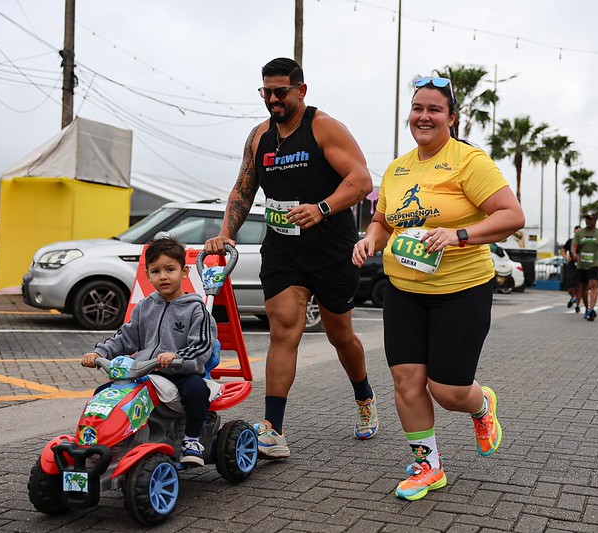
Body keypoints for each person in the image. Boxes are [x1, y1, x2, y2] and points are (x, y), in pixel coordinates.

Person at [353, 76, 525, 501]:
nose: (424, 116)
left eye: (434, 109)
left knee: (447, 391)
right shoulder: (398, 169)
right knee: (406, 379)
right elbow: (384, 220)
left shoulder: (469, 162)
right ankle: (428, 465)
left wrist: (458, 235)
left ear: (452, 117)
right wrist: (371, 237)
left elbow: (512, 216)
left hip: (461, 289)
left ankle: (481, 405)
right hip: (404, 290)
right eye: (418, 108)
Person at [204, 58, 378, 460]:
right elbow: (243, 189)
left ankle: (364, 395)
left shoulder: (324, 128)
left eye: (281, 91)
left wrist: (321, 208)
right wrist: (226, 233)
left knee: (340, 335)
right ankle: (274, 429)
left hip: (331, 250)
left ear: (301, 90)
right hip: (284, 250)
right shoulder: (259, 137)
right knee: (283, 330)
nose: (273, 99)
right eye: (266, 92)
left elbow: (361, 181)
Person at [82, 236, 217, 467]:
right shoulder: (145, 306)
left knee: (196, 389)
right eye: (156, 271)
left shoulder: (196, 310)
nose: (163, 276)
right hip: (144, 371)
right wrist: (100, 353)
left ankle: (192, 440)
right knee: (104, 393)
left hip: (180, 372)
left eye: (170, 269)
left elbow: (202, 346)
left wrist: (177, 357)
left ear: (184, 272)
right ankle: (103, 441)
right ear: (148, 275)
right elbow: (125, 337)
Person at [571, 212, 598, 322]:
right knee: (583, 287)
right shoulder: (579, 234)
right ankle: (586, 308)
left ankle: (591, 309)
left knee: (594, 284)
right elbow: (574, 246)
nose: (588, 221)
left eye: (590, 219)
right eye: (587, 219)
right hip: (582, 264)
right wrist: (574, 254)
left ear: (595, 220)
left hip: (595, 263)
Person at [561, 225, 581, 313]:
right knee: (570, 287)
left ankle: (578, 305)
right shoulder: (570, 241)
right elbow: (563, 250)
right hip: (572, 265)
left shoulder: (584, 242)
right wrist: (567, 257)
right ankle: (573, 297)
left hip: (581, 265)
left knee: (578, 287)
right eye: (576, 232)